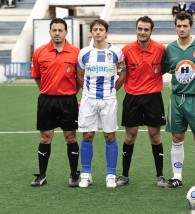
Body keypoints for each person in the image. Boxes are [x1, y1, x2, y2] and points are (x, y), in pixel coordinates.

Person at [116, 16, 167, 188]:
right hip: (132, 98)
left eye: (146, 29)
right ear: (136, 29)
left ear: (151, 31)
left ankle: (160, 176)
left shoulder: (160, 49)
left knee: (155, 136)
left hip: (153, 98)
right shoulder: (126, 50)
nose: (142, 32)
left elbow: (166, 68)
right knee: (129, 137)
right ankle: (124, 175)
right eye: (140, 29)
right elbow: (121, 74)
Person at [162, 11, 195, 189]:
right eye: (179, 26)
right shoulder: (170, 49)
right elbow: (166, 69)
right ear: (175, 27)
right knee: (176, 137)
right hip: (176, 99)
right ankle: (177, 177)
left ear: (191, 27)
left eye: (185, 26)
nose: (182, 29)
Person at [30, 18, 80, 187]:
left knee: (70, 137)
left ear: (66, 32)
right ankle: (42, 175)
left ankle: (74, 175)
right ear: (50, 31)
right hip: (46, 100)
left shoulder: (75, 52)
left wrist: (70, 93)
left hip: (68, 100)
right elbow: (37, 77)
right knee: (45, 138)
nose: (57, 33)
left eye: (60, 30)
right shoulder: (39, 52)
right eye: (54, 30)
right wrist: (47, 90)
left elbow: (79, 79)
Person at [77, 19, 126, 188]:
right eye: (95, 29)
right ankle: (86, 174)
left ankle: (110, 174)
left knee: (109, 136)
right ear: (91, 33)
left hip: (108, 100)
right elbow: (79, 75)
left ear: (106, 32)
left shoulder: (116, 52)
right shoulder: (84, 52)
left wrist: (112, 90)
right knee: (87, 135)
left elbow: (123, 75)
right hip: (89, 100)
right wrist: (88, 92)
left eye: (101, 29)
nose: (98, 32)